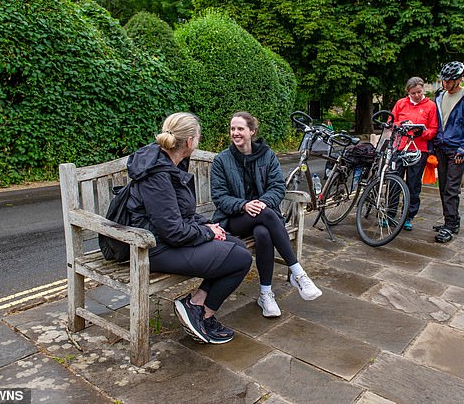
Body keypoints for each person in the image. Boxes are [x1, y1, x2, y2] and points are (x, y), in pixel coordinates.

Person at [126, 112, 252, 344]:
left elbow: (180, 214)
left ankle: (195, 305)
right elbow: (172, 231)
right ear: (190, 142)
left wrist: (207, 224)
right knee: (240, 259)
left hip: (165, 238)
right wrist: (208, 233)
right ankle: (203, 314)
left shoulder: (170, 162)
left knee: (237, 245)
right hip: (151, 248)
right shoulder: (158, 174)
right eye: (198, 137)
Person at [211, 111, 322, 318]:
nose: (235, 133)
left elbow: (278, 187)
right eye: (233, 129)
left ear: (252, 131)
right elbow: (219, 197)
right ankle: (297, 273)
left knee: (263, 232)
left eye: (240, 129)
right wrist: (244, 205)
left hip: (262, 215)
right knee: (267, 216)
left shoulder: (267, 155)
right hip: (233, 219)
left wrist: (262, 203)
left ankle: (265, 294)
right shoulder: (222, 160)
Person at [432, 61, 464, 243]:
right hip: (441, 147)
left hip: (457, 148)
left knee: (452, 188)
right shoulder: (439, 96)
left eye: (450, 80)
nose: (446, 84)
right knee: (443, 186)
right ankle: (451, 220)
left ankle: (450, 225)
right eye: (444, 80)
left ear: (459, 79)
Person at [389, 76, 438, 231]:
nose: (416, 95)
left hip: (419, 148)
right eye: (413, 93)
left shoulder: (430, 106)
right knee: (394, 180)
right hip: (401, 146)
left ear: (423, 89)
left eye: (419, 92)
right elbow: (392, 121)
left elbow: (433, 129)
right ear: (408, 92)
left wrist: (422, 132)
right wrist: (401, 124)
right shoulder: (401, 104)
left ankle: (408, 216)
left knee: (413, 183)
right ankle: (390, 213)